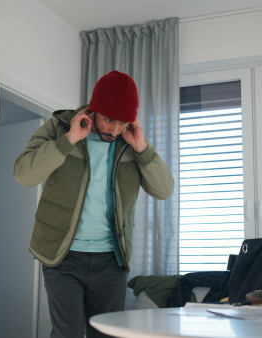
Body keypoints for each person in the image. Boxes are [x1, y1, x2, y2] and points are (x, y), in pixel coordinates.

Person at [13, 70, 174, 338]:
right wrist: (70, 140)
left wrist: (142, 148)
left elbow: (164, 190)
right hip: (62, 256)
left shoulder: (131, 142)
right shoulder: (59, 127)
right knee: (69, 334)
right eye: (110, 119)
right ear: (95, 109)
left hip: (111, 259)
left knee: (108, 333)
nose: (114, 130)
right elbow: (23, 174)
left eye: (123, 122)